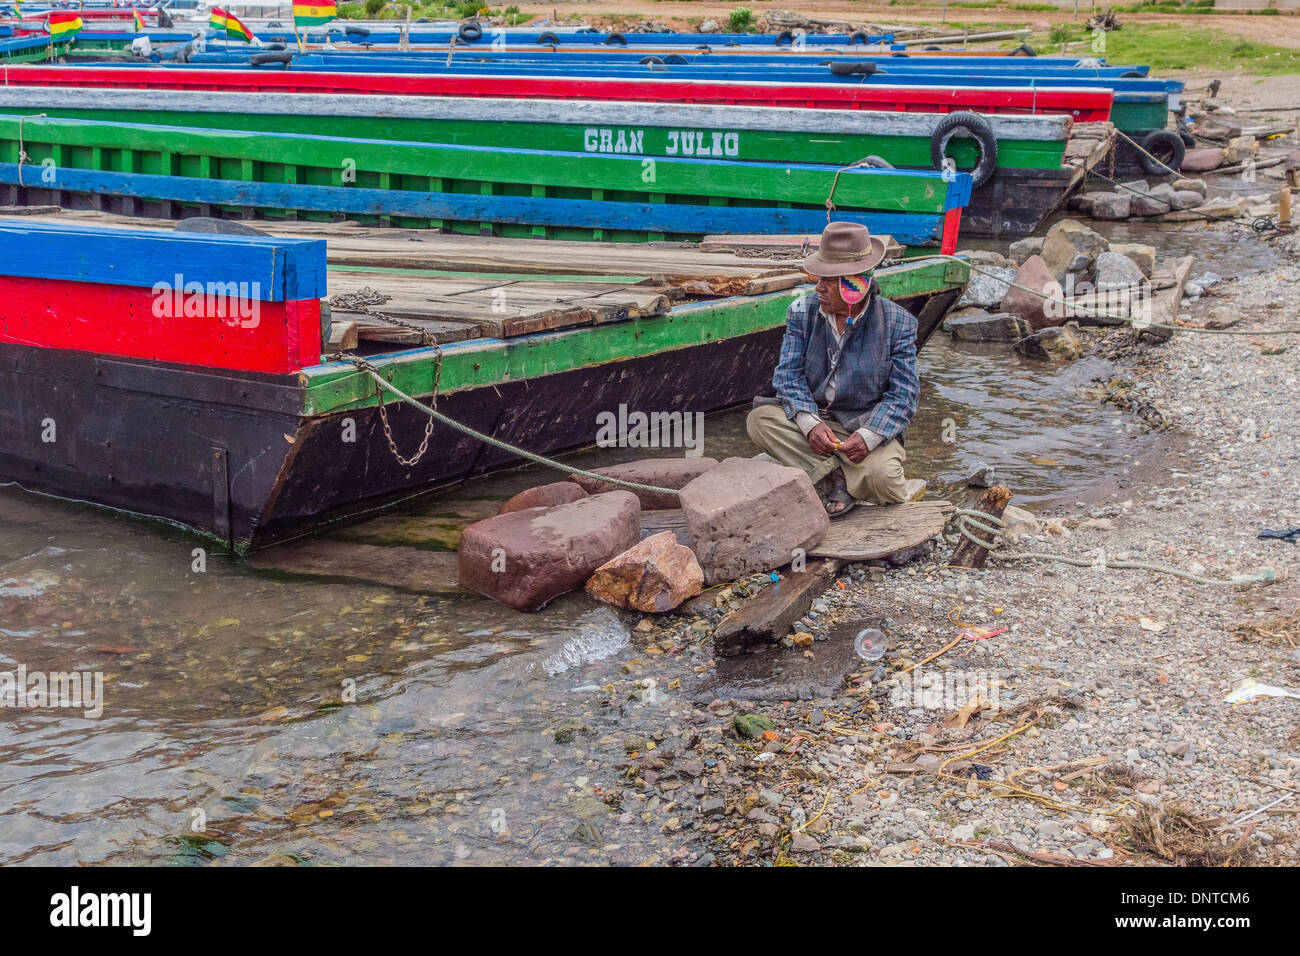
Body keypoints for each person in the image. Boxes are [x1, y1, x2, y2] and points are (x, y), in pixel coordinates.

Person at [746, 221, 919, 518]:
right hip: (819, 421)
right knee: (760, 420)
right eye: (819, 278)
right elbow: (787, 376)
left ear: (856, 284)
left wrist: (868, 437)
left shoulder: (898, 323)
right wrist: (809, 424)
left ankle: (837, 475)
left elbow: (904, 396)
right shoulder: (802, 312)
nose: (818, 287)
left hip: (863, 423)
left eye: (829, 280)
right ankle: (837, 479)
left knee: (887, 482)